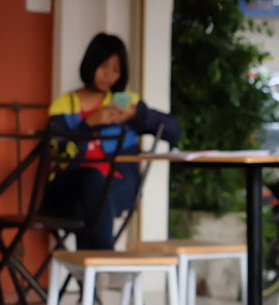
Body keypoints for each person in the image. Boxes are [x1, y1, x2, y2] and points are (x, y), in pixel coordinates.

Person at [44, 33, 181, 250]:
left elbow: (174, 132)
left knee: (94, 200)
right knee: (91, 181)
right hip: (68, 189)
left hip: (118, 186)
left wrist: (137, 115)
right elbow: (58, 153)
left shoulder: (123, 102)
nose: (108, 75)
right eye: (103, 66)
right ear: (91, 64)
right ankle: (105, 266)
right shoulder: (64, 105)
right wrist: (88, 124)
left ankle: (91, 278)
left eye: (116, 70)